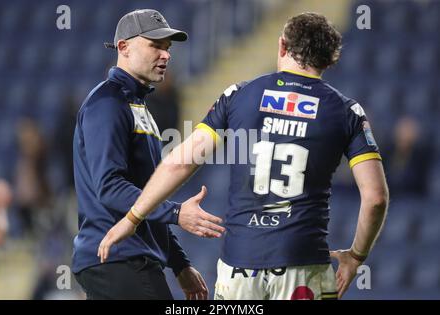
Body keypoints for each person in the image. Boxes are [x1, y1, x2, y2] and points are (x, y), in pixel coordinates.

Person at [98, 13, 389, 300]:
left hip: (240, 267)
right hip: (304, 263)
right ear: (329, 59)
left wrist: (133, 217)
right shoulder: (347, 112)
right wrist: (356, 256)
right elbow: (375, 198)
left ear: (282, 46)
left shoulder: (239, 94)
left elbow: (181, 161)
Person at [72, 9, 224, 300]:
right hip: (118, 259)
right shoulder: (108, 103)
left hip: (124, 260)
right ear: (123, 47)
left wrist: (179, 264)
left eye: (167, 48)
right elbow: (110, 187)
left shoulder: (138, 108)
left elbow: (146, 194)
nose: (166, 55)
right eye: (155, 45)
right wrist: (177, 214)